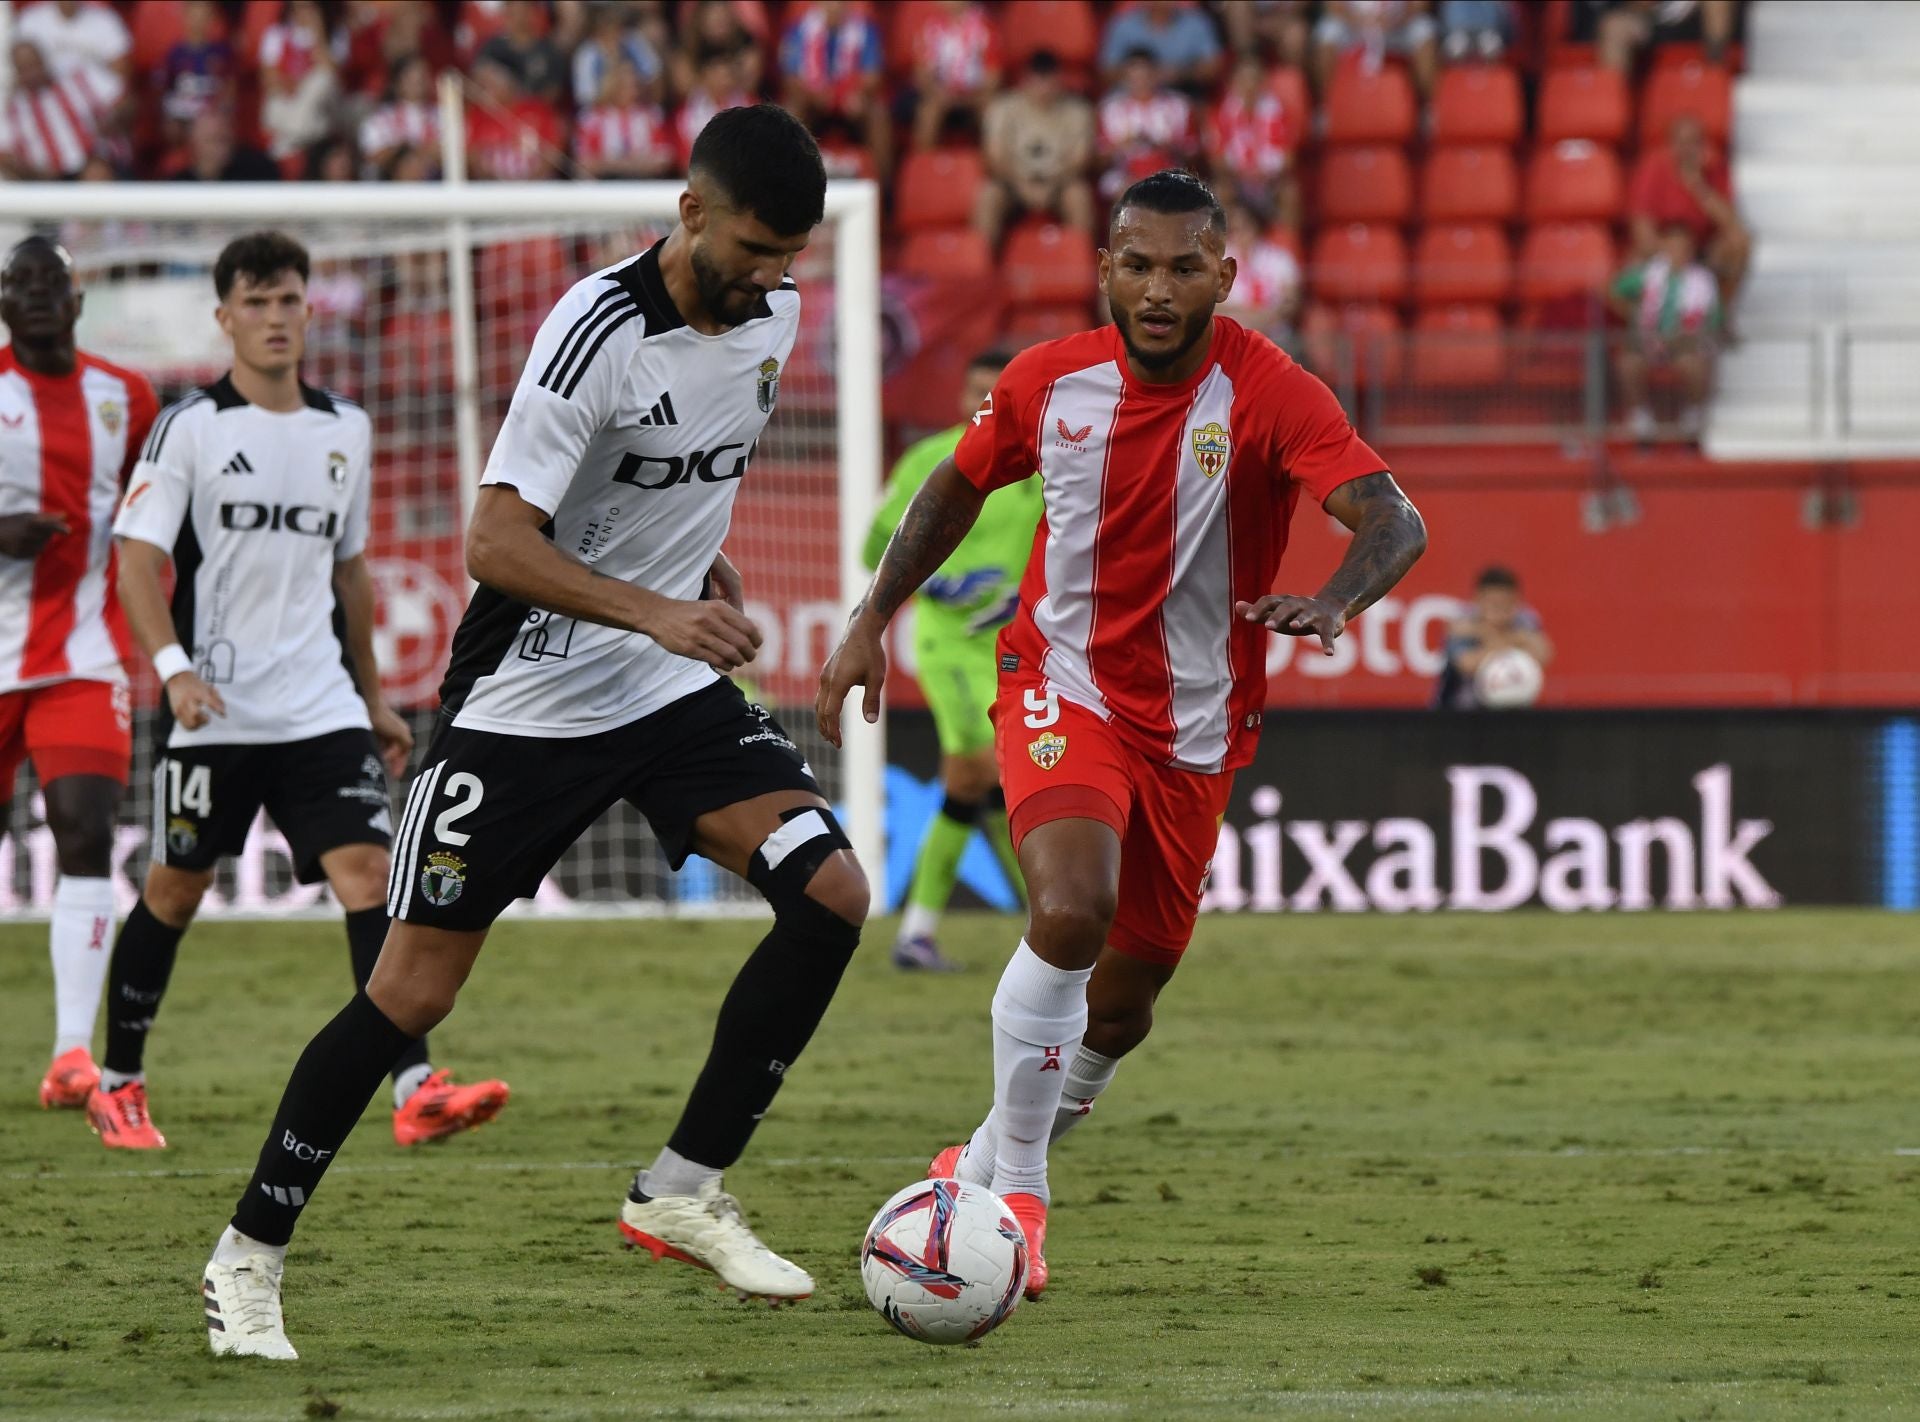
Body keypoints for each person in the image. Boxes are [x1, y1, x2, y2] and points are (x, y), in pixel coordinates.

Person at [200, 106, 868, 1361]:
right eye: (756, 247)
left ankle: (679, 1188)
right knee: (406, 995)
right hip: (522, 705)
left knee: (829, 892)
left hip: (663, 698)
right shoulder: (593, 330)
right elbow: (493, 543)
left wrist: (701, 570)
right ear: (690, 211)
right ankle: (248, 1257)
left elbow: (674, 477)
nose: (775, 276)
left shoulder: (769, 322)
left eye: (794, 254)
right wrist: (658, 610)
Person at [818, 169, 1426, 1297]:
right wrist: (870, 620)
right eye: (1136, 264)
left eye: (1184, 267)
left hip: (1197, 729)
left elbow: (1396, 518)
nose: (1157, 289)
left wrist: (1336, 600)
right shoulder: (1048, 382)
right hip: (1061, 680)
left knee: (1125, 1009)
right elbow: (953, 490)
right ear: (1103, 268)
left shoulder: (1271, 392)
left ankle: (983, 1165)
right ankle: (1024, 1200)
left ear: (1224, 278)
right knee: (1070, 906)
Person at [99, 231, 509, 1155]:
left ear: (308, 309)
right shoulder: (190, 427)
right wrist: (174, 672)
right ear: (224, 317)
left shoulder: (345, 430)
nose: (275, 318)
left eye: (288, 300)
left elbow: (351, 574)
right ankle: (118, 1081)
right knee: (174, 891)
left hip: (319, 704)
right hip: (215, 708)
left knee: (370, 878)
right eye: (256, 302)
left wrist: (370, 696)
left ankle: (416, 1085)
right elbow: (136, 563)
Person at [0, 237, 157, 1112]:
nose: (32, 296)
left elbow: (156, 507)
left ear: (75, 300)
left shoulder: (125, 397)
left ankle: (70, 1053)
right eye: (16, 283)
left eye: (46, 282)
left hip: (84, 654)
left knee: (84, 829)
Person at [863, 350, 1038, 972]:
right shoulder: (926, 460)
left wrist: (1024, 594)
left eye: (997, 393)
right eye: (976, 390)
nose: (984, 403)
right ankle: (918, 933)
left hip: (1016, 648)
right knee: (972, 770)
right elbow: (873, 545)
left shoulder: (1042, 466)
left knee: (1002, 783)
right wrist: (934, 584)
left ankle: (1046, 925)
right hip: (947, 645)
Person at [1627, 115, 1749, 322]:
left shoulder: (1714, 169)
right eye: (1681, 142)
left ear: (1703, 145)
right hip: (1664, 248)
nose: (1687, 149)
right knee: (1624, 271)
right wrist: (1675, 248)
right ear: (1670, 144)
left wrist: (1697, 185)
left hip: (1701, 251)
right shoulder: (1653, 169)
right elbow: (1642, 233)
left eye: (1694, 142)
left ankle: (1718, 318)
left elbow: (1733, 227)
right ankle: (1648, 326)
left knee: (1740, 244)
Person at [973, 50, 1094, 252]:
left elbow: (1079, 161)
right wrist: (1022, 185)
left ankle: (1079, 264)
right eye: (1038, 80)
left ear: (1060, 80)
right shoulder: (1002, 108)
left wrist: (1050, 185)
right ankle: (980, 263)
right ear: (1025, 80)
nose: (1044, 88)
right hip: (1013, 182)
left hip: (1059, 183)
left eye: (1050, 81)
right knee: (989, 195)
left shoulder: (1078, 111)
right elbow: (994, 158)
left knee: (1079, 196)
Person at [1610, 222, 1720, 444]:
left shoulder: (1704, 281)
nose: (1677, 253)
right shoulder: (1647, 273)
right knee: (1629, 363)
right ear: (1663, 248)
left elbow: (1714, 319)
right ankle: (1640, 418)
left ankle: (1693, 415)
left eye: (1683, 248)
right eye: (1672, 247)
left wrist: (1693, 334)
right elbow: (1613, 289)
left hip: (1684, 340)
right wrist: (1632, 311)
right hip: (1649, 337)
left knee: (1694, 364)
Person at [1434, 566, 1552, 709]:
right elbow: (1467, 664)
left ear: (1516, 601)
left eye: (1506, 604)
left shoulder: (1525, 619)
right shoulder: (1462, 620)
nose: (1499, 611)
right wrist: (1516, 642)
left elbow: (1543, 654)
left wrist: (1486, 633)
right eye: (1493, 604)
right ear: (1478, 600)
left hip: (1515, 708)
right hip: (1460, 712)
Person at [1099, 0, 1223, 93]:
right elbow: (1107, 72)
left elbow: (1212, 68)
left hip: (1183, 92)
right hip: (1131, 95)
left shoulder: (1197, 22)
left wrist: (1181, 73)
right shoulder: (1123, 24)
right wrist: (1142, 74)